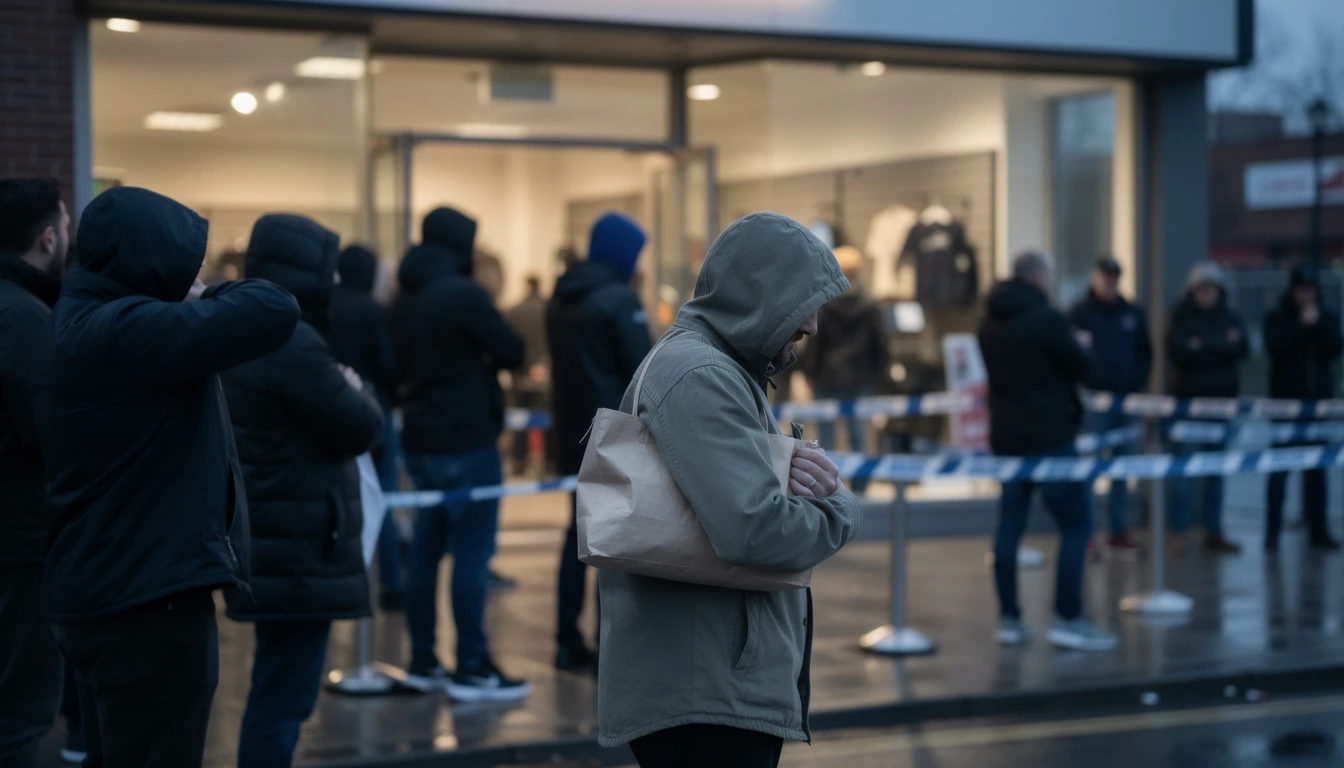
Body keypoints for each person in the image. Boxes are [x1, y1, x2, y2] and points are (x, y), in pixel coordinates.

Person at [36, 187, 300, 767]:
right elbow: (275, 308)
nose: (194, 275)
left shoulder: (78, 319)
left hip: (109, 588)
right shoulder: (122, 330)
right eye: (184, 262)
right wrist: (202, 293)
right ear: (148, 261)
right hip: (146, 603)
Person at [598, 213, 863, 768]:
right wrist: (837, 505)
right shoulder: (701, 373)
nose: (813, 325)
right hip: (706, 693)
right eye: (802, 301)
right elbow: (757, 530)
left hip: (711, 682)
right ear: (759, 294)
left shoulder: (718, 366)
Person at [221, 215, 383, 767]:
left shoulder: (244, 330)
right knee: (283, 699)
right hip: (296, 546)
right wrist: (358, 389)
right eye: (327, 268)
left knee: (277, 689)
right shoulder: (291, 341)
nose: (335, 281)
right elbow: (360, 426)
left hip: (272, 536)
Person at [391, 206, 529, 700]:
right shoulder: (462, 294)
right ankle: (472, 665)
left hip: (420, 440)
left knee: (425, 553)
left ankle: (422, 658)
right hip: (467, 439)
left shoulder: (404, 294)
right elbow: (513, 351)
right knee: (472, 553)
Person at [979, 250, 1116, 652]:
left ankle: (1009, 620)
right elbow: (1083, 365)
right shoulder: (1047, 319)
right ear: (1039, 278)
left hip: (1007, 437)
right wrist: (1082, 344)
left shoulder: (989, 321)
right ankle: (1069, 618)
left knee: (1010, 526)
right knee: (1076, 525)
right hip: (1051, 437)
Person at [547, 212, 653, 673]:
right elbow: (645, 368)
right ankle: (608, 643)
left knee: (578, 537)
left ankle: (566, 640)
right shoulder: (618, 299)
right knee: (611, 543)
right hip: (613, 436)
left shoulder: (562, 297)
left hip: (572, 434)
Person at [0, 178, 69, 768]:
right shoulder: (23, 318)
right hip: (18, 540)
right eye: (67, 226)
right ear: (48, 238)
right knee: (19, 711)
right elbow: (52, 432)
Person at [330, 244, 405, 608]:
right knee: (382, 497)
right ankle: (391, 583)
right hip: (374, 413)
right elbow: (389, 367)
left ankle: (343, 579)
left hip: (331, 410)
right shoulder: (373, 311)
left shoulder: (324, 307)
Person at [1067, 256, 1152, 557]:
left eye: (1114, 277)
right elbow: (1070, 353)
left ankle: (1118, 531)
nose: (1110, 283)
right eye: (1105, 277)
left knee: (1122, 468)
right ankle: (1086, 533)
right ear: (1095, 278)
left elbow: (1145, 353)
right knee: (1088, 469)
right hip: (1093, 403)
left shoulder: (1132, 313)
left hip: (1126, 401)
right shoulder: (1080, 314)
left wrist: (1136, 382)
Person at [1166, 261, 1248, 555]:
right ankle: (1178, 532)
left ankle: (1214, 532)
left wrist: (1203, 345)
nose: (1207, 294)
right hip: (1189, 406)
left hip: (1222, 407)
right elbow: (1181, 352)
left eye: (1211, 288)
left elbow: (1241, 349)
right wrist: (1220, 346)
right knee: (1183, 473)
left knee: (1217, 472)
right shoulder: (1181, 317)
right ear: (1193, 291)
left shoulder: (1229, 316)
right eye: (1202, 288)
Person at [1263, 265, 1342, 551]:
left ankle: (1318, 531)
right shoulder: (1278, 317)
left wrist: (1316, 324)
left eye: (1311, 289)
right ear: (1293, 290)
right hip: (1286, 408)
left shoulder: (1325, 316)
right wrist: (1301, 326)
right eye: (1302, 290)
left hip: (1317, 408)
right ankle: (1272, 533)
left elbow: (1335, 347)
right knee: (1279, 471)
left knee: (1317, 473)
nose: (1307, 295)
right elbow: (1275, 348)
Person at [801, 245, 888, 464]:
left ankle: (826, 482)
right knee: (859, 434)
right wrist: (878, 374)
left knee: (826, 436)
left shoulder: (824, 304)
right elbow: (880, 342)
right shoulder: (870, 304)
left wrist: (810, 373)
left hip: (827, 376)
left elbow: (815, 342)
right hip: (861, 376)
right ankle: (860, 481)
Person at [506, 274, 550, 476]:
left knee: (519, 420)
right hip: (543, 372)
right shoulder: (548, 309)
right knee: (546, 419)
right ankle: (547, 461)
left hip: (520, 373)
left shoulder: (515, 311)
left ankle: (519, 460)